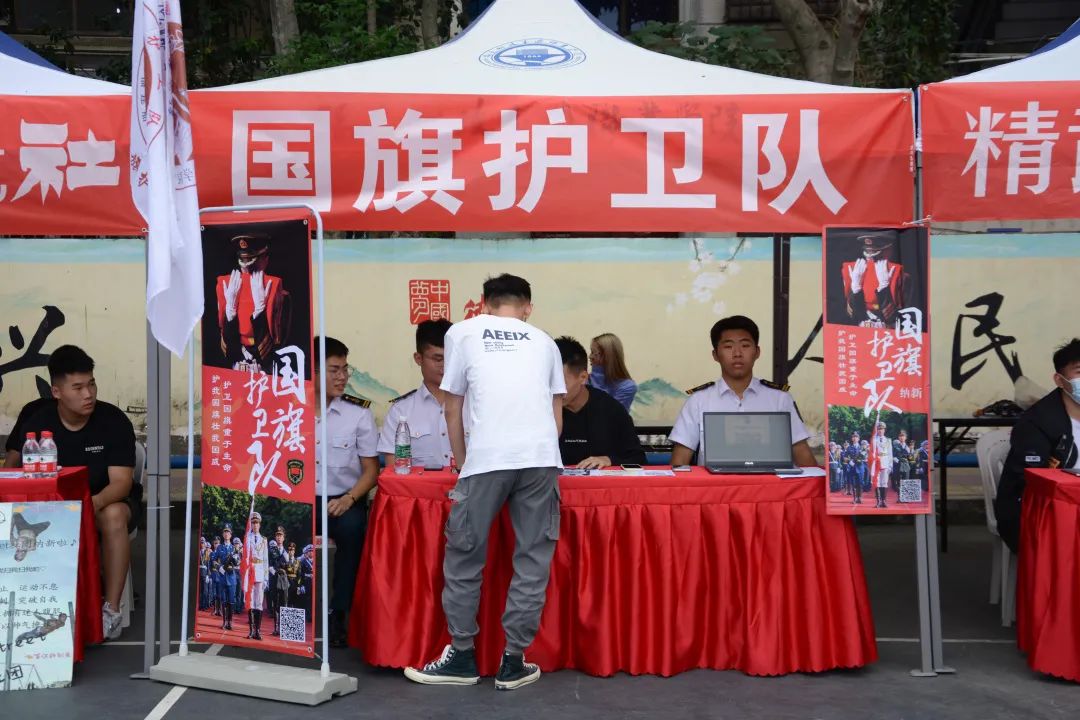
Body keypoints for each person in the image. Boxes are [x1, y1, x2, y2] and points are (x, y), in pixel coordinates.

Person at [404, 273, 565, 691]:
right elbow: (556, 416)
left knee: (464, 558)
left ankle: (462, 656)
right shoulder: (545, 341)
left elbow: (452, 407)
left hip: (487, 458)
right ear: (528, 307)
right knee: (532, 560)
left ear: (483, 302)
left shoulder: (463, 332)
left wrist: (463, 464)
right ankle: (513, 661)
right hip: (540, 459)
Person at [8, 345, 136, 640]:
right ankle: (29, 604)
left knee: (114, 515)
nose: (88, 394)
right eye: (77, 387)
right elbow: (21, 476)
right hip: (51, 505)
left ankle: (111, 611)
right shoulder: (38, 424)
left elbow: (121, 482)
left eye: (91, 384)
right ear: (56, 392)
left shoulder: (113, 421)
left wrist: (91, 503)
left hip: (102, 500)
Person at [669, 316, 815, 468]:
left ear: (757, 352)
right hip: (717, 483)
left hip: (769, 482)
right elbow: (679, 463)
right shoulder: (698, 401)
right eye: (728, 347)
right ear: (715, 355)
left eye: (745, 345)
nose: (737, 353)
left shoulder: (780, 399)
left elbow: (805, 460)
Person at [312, 335, 379, 647]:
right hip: (299, 500)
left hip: (344, 498)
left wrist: (350, 498)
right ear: (312, 372)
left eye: (345, 369)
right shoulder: (287, 410)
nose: (343, 377)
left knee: (352, 532)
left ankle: (338, 612)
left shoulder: (358, 413)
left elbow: (371, 471)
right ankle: (281, 609)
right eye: (334, 370)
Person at [995, 339, 1080, 553]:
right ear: (1059, 380)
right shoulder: (1037, 422)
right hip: (1042, 512)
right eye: (1079, 371)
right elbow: (1032, 482)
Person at [556, 336, 645, 469]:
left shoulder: (611, 409)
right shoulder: (541, 409)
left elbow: (638, 458)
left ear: (583, 377)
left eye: (561, 383)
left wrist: (609, 460)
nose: (554, 390)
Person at [378, 319, 456, 469]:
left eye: (450, 357)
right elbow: (393, 471)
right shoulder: (400, 411)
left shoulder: (472, 405)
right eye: (438, 359)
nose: (445, 365)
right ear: (418, 358)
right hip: (418, 485)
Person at [215, 233, 291, 373]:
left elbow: (273, 350)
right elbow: (227, 352)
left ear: (265, 260)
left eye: (252, 262)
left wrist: (259, 311)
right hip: (236, 367)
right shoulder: (226, 287)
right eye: (242, 262)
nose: (247, 270)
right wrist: (230, 311)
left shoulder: (280, 295)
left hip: (264, 371)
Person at [841, 232, 906, 328]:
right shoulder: (850, 269)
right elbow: (853, 316)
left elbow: (891, 317)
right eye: (868, 250)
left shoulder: (896, 271)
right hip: (861, 328)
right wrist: (855, 287)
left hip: (887, 329)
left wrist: (884, 287)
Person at [588, 333, 637, 411]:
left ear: (607, 355)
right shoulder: (584, 380)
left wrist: (597, 373)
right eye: (591, 352)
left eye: (594, 353)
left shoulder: (627, 387)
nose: (590, 356)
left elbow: (608, 413)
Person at [244, 511, 269, 640]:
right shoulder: (247, 538)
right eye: (253, 523)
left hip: (259, 571)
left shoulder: (264, 540)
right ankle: (251, 630)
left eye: (257, 523)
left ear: (260, 524)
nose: (255, 525)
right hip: (250, 572)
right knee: (250, 602)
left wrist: (266, 578)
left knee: (259, 602)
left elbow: (266, 559)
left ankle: (258, 631)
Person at [211, 524, 236, 630]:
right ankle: (224, 622)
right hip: (222, 577)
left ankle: (230, 622)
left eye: (228, 532)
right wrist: (219, 567)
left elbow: (238, 561)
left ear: (231, 534)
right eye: (225, 532)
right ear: (223, 534)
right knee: (224, 600)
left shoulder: (234, 548)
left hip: (231, 577)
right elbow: (213, 559)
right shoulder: (219, 547)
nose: (226, 534)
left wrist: (235, 560)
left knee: (231, 600)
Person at [267, 526, 291, 635]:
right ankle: (276, 628)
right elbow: (268, 563)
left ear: (284, 538)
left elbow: (289, 567)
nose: (279, 537)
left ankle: (283, 628)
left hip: (284, 580)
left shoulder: (287, 552)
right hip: (275, 579)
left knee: (284, 604)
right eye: (277, 535)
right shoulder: (271, 550)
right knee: (275, 604)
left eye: (280, 535)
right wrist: (272, 569)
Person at [869, 422, 894, 508]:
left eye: (882, 429)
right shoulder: (874, 440)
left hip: (885, 462)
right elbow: (871, 452)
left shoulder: (888, 440)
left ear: (884, 430)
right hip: (876, 463)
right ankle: (878, 501)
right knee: (877, 482)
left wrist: (890, 465)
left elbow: (890, 453)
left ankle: (884, 501)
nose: (880, 431)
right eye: (879, 429)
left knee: (884, 482)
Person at [843, 433, 864, 504]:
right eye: (853, 437)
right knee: (854, 483)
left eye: (856, 437)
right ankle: (855, 498)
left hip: (860, 467)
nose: (855, 438)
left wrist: (855, 461)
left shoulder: (862, 447)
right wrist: (849, 462)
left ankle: (859, 498)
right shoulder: (849, 448)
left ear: (859, 439)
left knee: (860, 483)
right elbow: (845, 457)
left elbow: (863, 456)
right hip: (852, 467)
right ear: (852, 439)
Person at [298, 544, 315, 623]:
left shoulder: (316, 561)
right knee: (307, 600)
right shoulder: (303, 561)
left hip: (314, 584)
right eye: (309, 551)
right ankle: (309, 616)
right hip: (306, 583)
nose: (311, 552)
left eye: (312, 551)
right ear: (307, 552)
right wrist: (301, 585)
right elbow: (300, 574)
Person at [891, 430, 910, 495]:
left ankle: (905, 496)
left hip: (905, 465)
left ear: (905, 437)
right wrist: (895, 459)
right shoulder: (895, 446)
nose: (902, 437)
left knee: (906, 481)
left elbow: (911, 458)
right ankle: (900, 496)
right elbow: (892, 455)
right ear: (898, 437)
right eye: (900, 436)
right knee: (898, 482)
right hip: (898, 465)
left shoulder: (907, 447)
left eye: (903, 436)